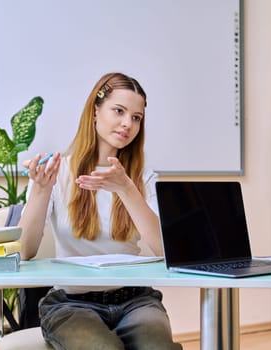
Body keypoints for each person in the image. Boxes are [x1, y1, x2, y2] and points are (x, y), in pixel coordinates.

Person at [18, 72, 182, 350]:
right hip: (71, 303)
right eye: (119, 111)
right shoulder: (57, 172)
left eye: (136, 117)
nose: (127, 124)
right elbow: (24, 251)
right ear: (95, 111)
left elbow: (164, 251)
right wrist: (41, 191)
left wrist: (127, 190)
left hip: (135, 300)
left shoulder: (143, 178)